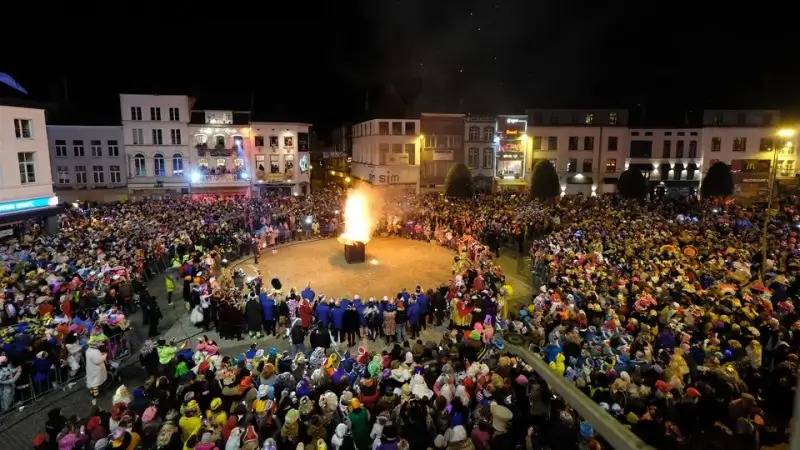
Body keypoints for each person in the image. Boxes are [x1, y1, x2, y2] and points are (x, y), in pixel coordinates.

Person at [85, 339, 108, 405]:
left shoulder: (88, 350)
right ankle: (94, 395)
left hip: (91, 369)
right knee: (95, 383)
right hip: (96, 370)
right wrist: (104, 355)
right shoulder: (95, 352)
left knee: (92, 382)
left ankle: (92, 392)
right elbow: (97, 360)